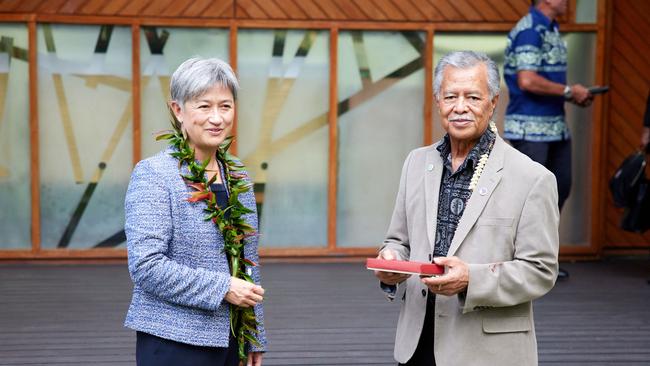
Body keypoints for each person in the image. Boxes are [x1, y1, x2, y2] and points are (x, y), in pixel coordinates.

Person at [374, 51, 559, 366]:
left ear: (493, 102)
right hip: (417, 343)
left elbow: (540, 271)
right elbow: (397, 241)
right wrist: (391, 262)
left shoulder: (532, 178)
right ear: (438, 102)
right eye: (450, 96)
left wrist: (471, 279)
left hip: (488, 353)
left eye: (473, 97)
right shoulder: (416, 163)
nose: (460, 107)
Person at [124, 57, 266, 366]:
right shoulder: (154, 174)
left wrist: (253, 334)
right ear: (178, 110)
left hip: (230, 340)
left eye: (225, 106)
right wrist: (223, 287)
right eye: (204, 107)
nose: (216, 118)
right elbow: (146, 266)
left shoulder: (237, 174)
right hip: (172, 341)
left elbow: (247, 259)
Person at [503, 0, 594, 278]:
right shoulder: (530, 30)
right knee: (528, 198)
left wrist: (570, 94)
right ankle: (519, 264)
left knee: (558, 189)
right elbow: (527, 80)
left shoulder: (552, 29)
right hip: (531, 131)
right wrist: (569, 91)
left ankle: (541, 262)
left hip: (555, 128)